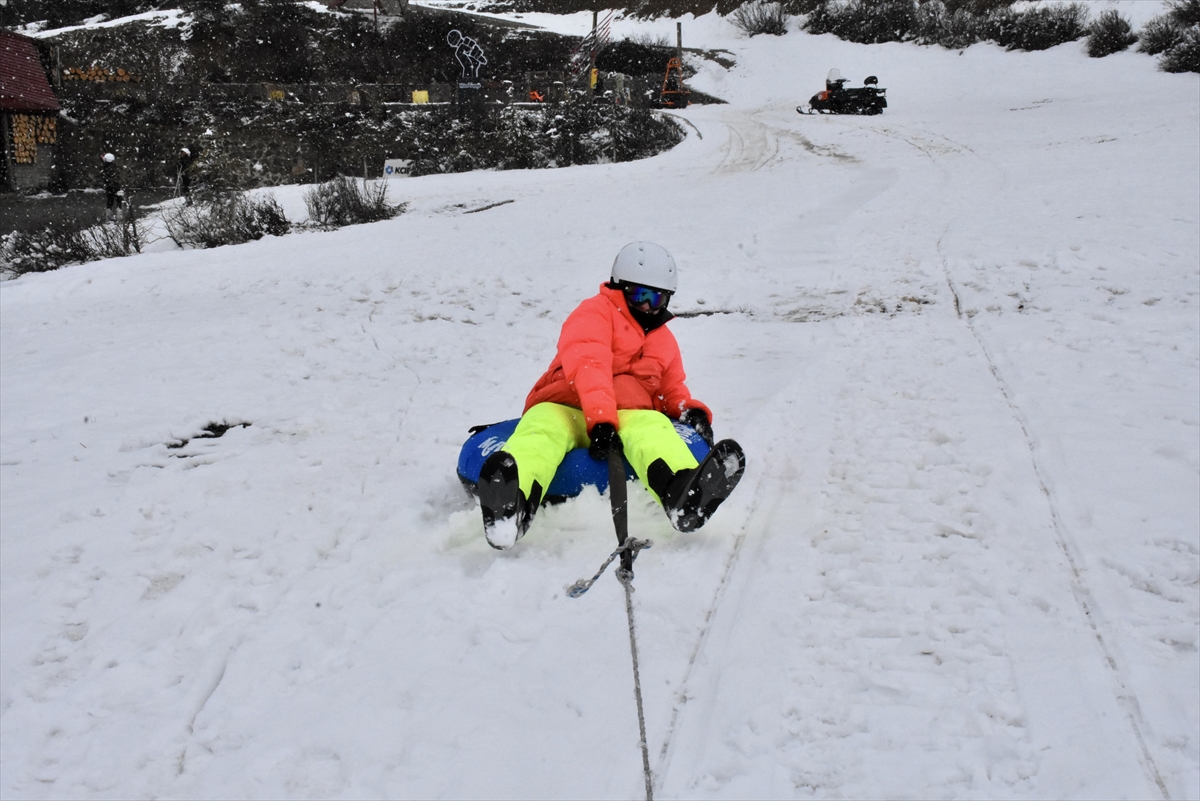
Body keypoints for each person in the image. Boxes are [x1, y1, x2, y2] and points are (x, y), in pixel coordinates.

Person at [477, 242, 746, 550]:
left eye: (656, 297)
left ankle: (682, 494)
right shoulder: (594, 313)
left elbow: (671, 387)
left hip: (625, 416)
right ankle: (511, 506)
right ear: (620, 286)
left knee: (653, 427)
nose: (647, 306)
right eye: (639, 295)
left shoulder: (664, 341)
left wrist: (689, 411)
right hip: (566, 405)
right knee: (541, 431)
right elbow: (589, 366)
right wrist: (601, 419)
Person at [100, 152, 122, 219]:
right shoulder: (114, 167)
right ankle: (120, 216)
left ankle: (109, 216)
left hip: (109, 186)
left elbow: (105, 175)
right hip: (116, 186)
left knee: (110, 201)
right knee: (119, 200)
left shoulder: (105, 168)